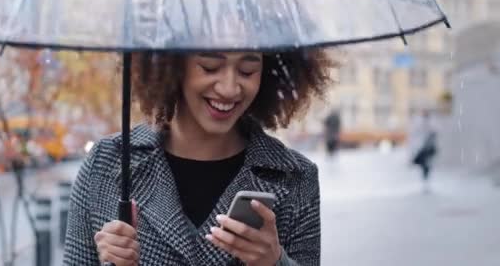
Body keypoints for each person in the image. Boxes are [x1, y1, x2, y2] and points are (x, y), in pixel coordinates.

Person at [63, 50, 334, 265]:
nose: (229, 88)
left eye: (247, 71)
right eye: (210, 67)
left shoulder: (295, 178)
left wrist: (274, 262)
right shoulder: (106, 164)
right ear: (172, 64)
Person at [410, 110, 437, 181]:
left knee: (426, 164)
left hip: (427, 148)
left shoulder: (431, 123)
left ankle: (425, 177)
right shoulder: (419, 123)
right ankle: (425, 177)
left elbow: (434, 133)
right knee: (424, 164)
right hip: (422, 148)